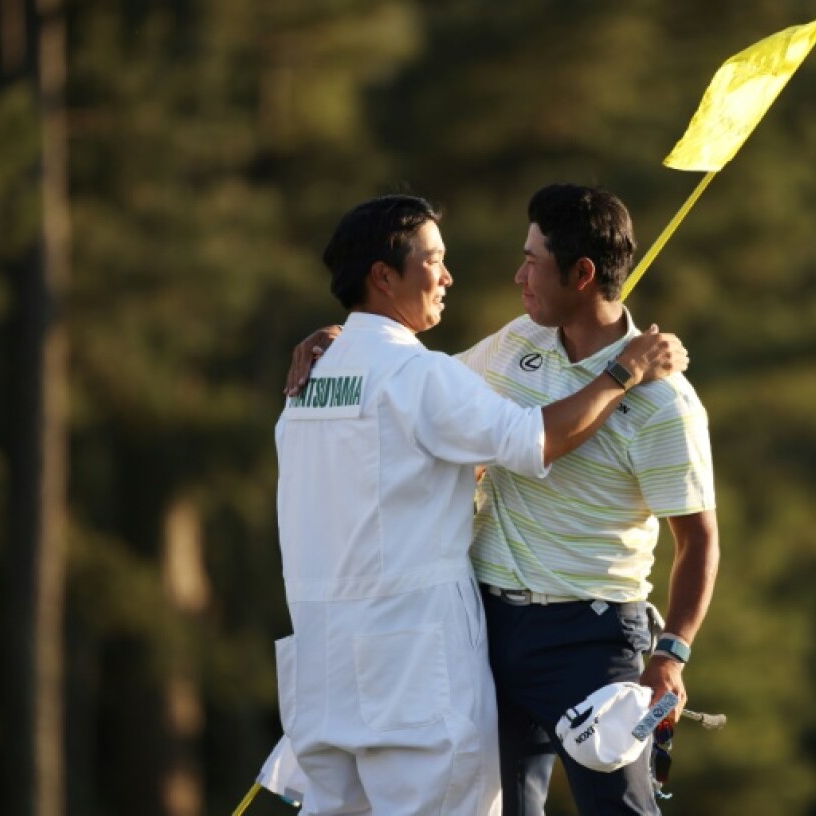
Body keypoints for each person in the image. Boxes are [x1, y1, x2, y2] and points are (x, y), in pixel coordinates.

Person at [274, 193, 688, 816]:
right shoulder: (417, 376)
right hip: (412, 678)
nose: (448, 276)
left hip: (322, 673)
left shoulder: (310, 382)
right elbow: (535, 440)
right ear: (383, 277)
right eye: (433, 261)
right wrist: (622, 371)